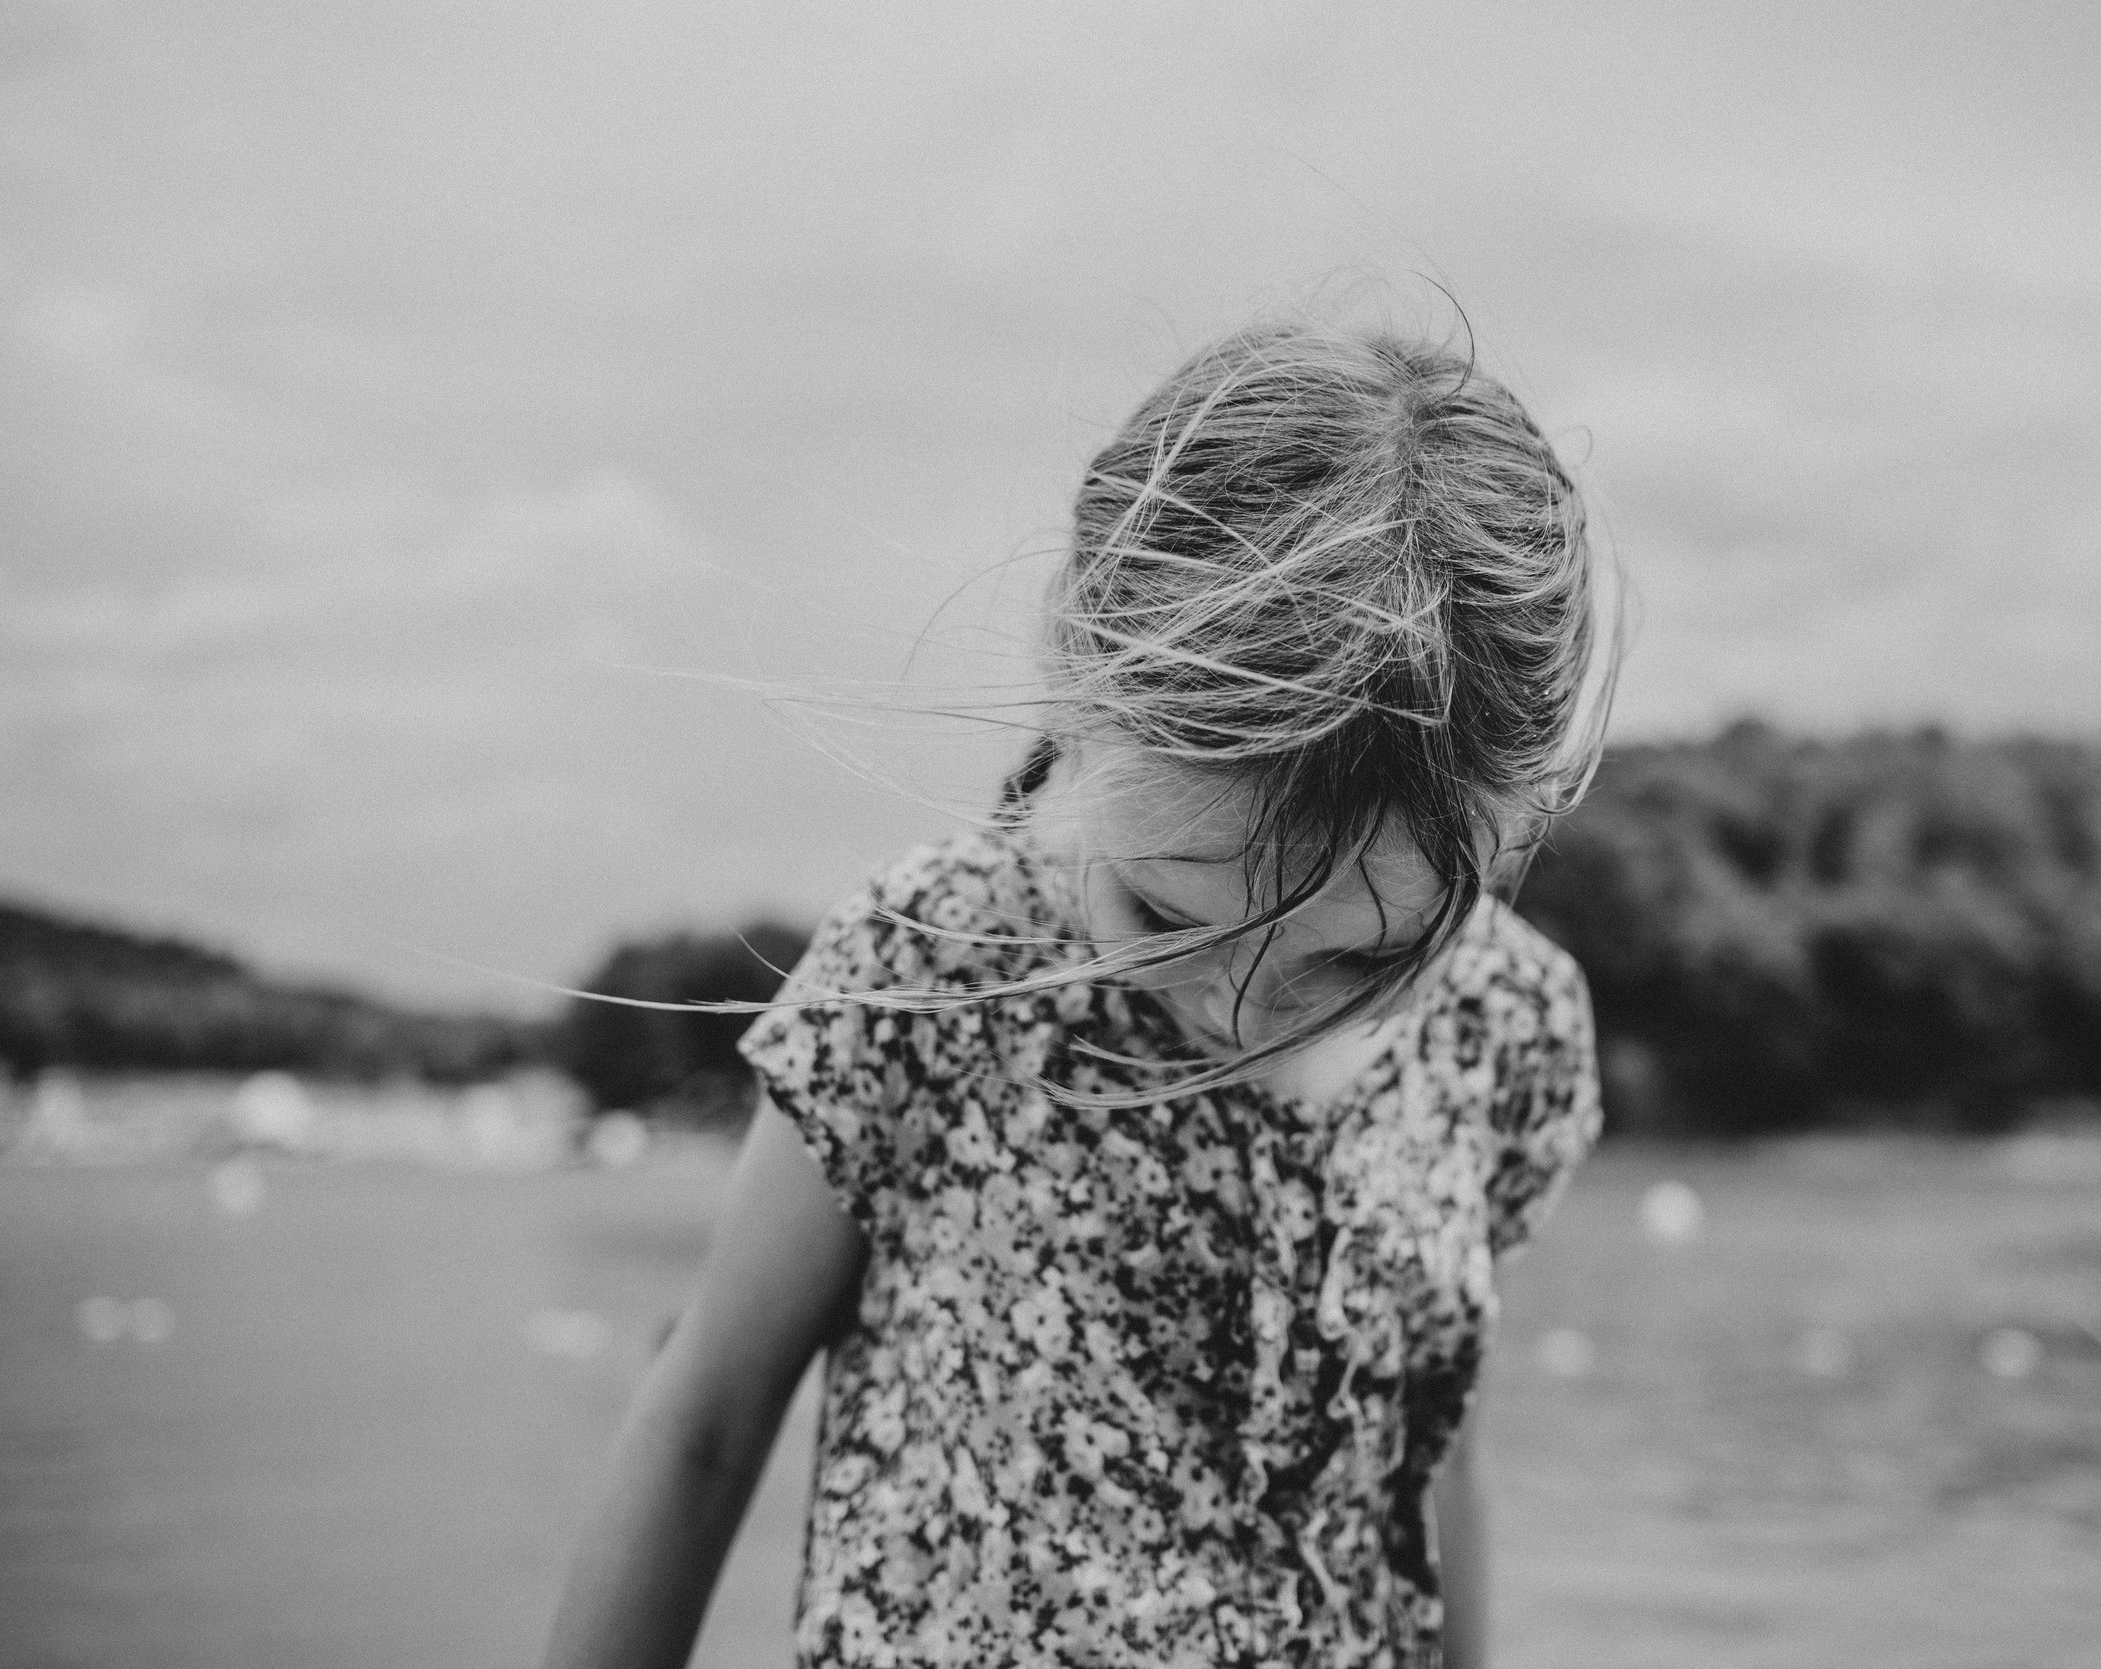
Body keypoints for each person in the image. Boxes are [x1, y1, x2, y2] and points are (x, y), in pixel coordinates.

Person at [540, 313, 1616, 1669]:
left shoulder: (1505, 1030)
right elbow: (704, 1416)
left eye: (1355, 959)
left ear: (1523, 825)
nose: (1232, 1018)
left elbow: (1435, 1444)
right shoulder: (934, 966)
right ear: (1076, 687)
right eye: (1162, 912)